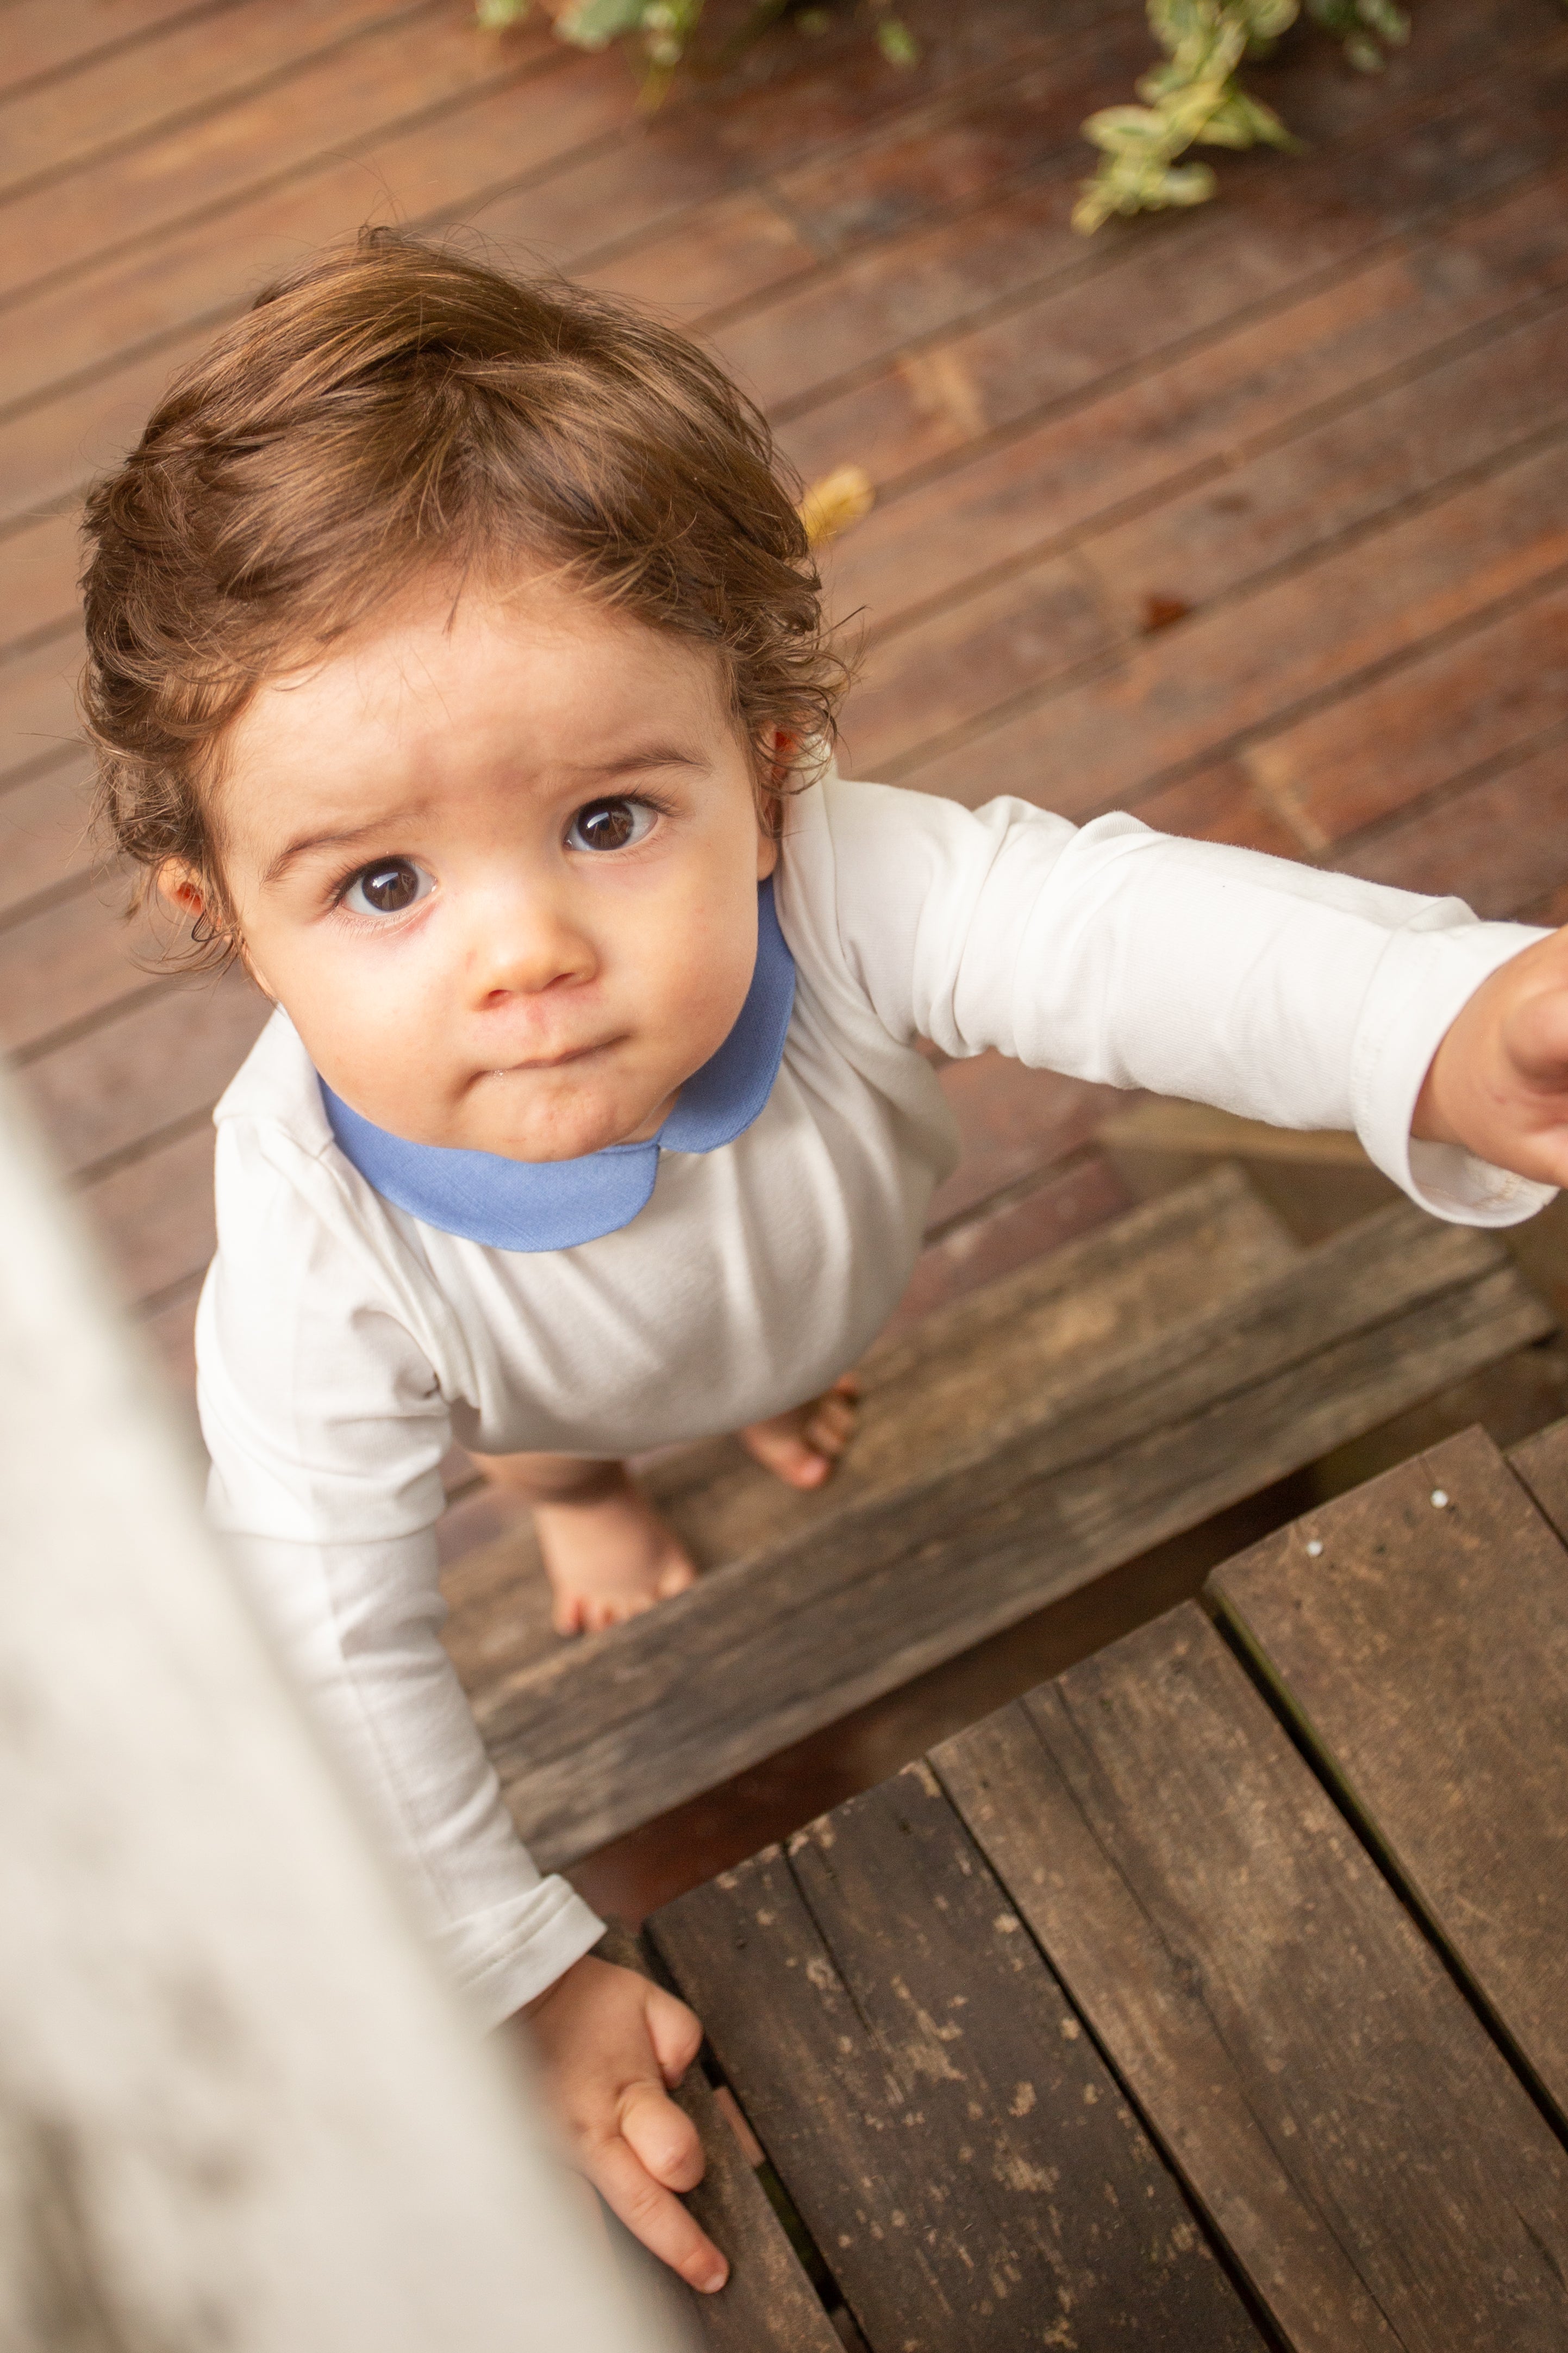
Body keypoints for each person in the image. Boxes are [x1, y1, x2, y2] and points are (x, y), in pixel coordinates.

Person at [79, 231, 1568, 2294]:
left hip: (813, 1288)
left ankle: (772, 1393)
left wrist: (1435, 1023)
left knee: (787, 1340)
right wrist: (508, 1971)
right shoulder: (316, 1254)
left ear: (770, 775)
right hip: (538, 1396)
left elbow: (1106, 933)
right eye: (386, 883)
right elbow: (326, 1628)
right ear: (230, 915)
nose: (524, 953)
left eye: (610, 820)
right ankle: (599, 1504)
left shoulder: (850, 888)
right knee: (562, 1471)